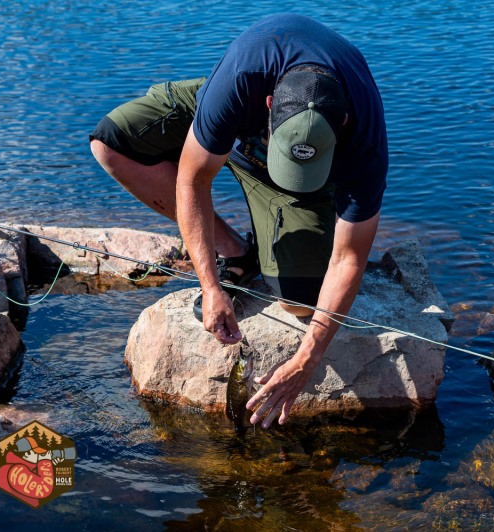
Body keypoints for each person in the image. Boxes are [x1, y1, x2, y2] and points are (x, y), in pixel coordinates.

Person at [89, 14, 388, 428]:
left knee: (300, 303)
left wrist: (308, 357)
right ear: (269, 104)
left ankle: (287, 204)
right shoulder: (243, 75)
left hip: (302, 180)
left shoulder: (365, 135)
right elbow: (193, 180)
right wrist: (210, 285)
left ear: (342, 125)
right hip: (238, 114)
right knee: (112, 143)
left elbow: (349, 258)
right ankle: (236, 252)